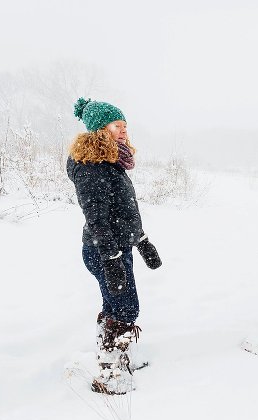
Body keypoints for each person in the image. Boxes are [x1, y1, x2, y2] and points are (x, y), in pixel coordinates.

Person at [67, 97, 162, 394]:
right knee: (126, 307)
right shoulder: (92, 166)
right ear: (99, 128)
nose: (123, 130)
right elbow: (96, 217)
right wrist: (111, 258)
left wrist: (142, 241)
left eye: (124, 125)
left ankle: (116, 358)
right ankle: (110, 375)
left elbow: (122, 211)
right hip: (105, 250)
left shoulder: (110, 162)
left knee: (114, 304)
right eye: (116, 125)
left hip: (117, 248)